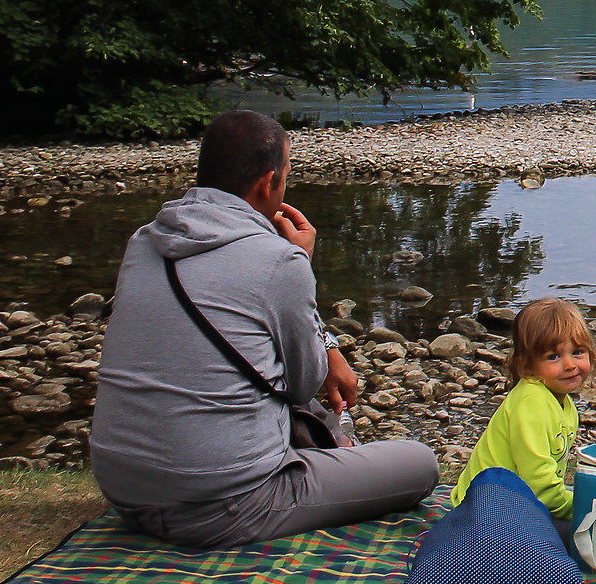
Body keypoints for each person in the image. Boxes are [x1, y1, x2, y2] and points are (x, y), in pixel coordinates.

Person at [89, 110, 437, 549]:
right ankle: (334, 450)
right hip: (226, 504)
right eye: (288, 173)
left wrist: (325, 344)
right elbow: (302, 385)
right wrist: (301, 264)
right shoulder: (279, 260)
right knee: (419, 464)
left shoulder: (143, 242)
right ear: (267, 183)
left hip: (125, 489)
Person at [450, 299, 595, 542]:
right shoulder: (532, 402)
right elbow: (540, 486)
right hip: (481, 511)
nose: (570, 365)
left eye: (577, 352)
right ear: (527, 364)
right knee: (594, 534)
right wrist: (582, 509)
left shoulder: (562, 401)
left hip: (518, 503)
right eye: (553, 357)